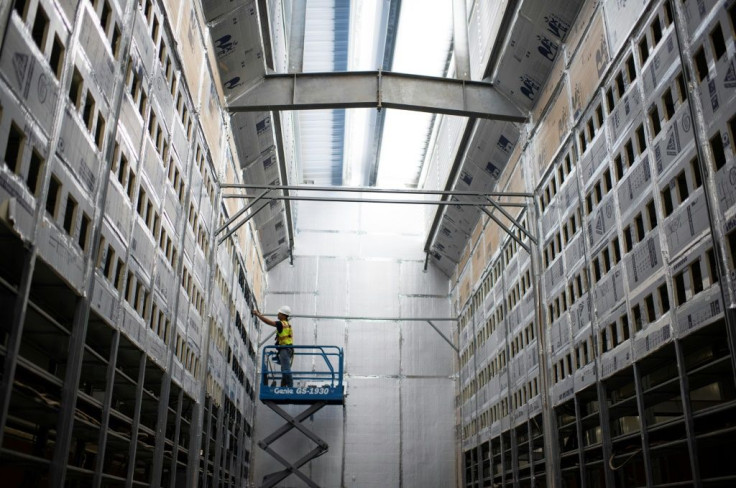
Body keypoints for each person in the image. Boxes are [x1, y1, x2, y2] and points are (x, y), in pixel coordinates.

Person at [252, 306, 293, 387]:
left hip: (285, 349)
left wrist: (258, 315)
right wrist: (260, 314)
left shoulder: (281, 324)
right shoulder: (286, 324)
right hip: (286, 349)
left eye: (279, 313)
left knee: (285, 369)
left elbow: (269, 322)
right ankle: (285, 386)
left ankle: (290, 387)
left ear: (284, 315)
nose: (278, 314)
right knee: (284, 369)